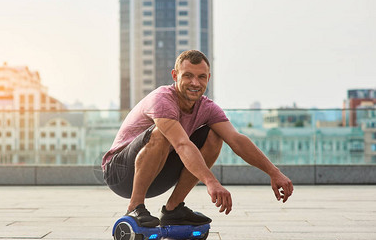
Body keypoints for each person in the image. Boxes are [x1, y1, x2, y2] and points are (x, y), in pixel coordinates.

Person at [102, 50, 293, 228]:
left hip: (157, 173)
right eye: (188, 76)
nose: (195, 83)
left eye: (201, 77)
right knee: (163, 134)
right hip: (120, 174)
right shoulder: (163, 99)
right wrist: (211, 182)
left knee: (215, 134)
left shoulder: (208, 108)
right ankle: (135, 207)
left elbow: (236, 140)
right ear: (175, 76)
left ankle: (173, 210)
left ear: (208, 78)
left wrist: (274, 172)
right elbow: (182, 144)